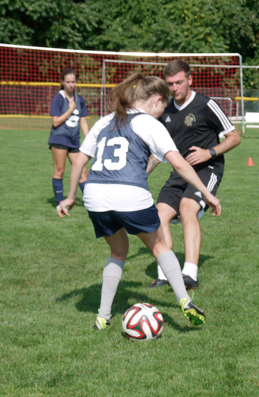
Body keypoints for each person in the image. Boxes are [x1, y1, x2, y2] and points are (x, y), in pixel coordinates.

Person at [57, 73, 221, 330]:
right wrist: (207, 193)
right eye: (163, 107)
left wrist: (69, 197)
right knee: (160, 247)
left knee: (118, 251)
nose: (162, 113)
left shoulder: (105, 121)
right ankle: (185, 301)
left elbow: (79, 160)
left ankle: (103, 315)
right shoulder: (149, 123)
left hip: (95, 196)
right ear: (157, 100)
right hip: (130, 194)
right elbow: (179, 163)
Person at [146, 60, 241, 289]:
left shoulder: (206, 104)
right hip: (180, 172)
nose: (174, 88)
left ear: (190, 80)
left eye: (179, 82)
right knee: (158, 215)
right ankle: (164, 274)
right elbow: (160, 152)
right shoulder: (165, 110)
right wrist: (141, 175)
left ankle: (190, 274)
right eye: (170, 84)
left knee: (188, 207)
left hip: (208, 169)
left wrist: (209, 153)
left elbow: (235, 137)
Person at [49, 68, 89, 207]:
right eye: (68, 82)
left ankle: (91, 202)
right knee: (60, 170)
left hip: (74, 140)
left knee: (83, 172)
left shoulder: (79, 98)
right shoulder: (58, 98)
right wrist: (70, 110)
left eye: (73, 82)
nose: (71, 85)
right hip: (60, 138)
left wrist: (89, 139)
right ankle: (60, 203)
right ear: (62, 82)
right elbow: (56, 121)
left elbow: (83, 120)